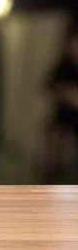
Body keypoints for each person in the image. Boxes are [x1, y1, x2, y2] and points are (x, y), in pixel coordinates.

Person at [46, 21, 78, 182]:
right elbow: (50, 85)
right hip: (63, 119)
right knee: (58, 157)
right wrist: (66, 93)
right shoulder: (64, 66)